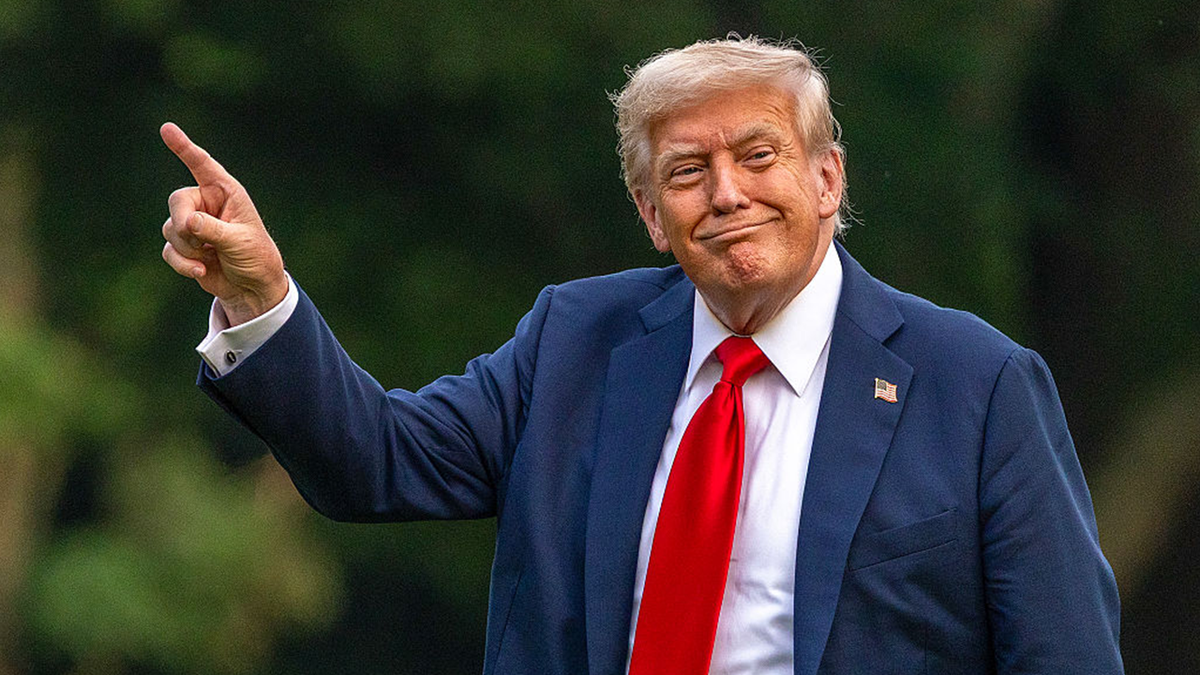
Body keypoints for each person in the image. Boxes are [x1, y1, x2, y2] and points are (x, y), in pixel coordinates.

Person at [160, 37, 1123, 675]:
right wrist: (257, 295)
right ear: (652, 217)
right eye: (688, 173)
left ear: (828, 179)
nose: (728, 194)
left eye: (759, 156)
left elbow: (1066, 653)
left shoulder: (979, 384)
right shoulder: (577, 340)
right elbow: (378, 460)